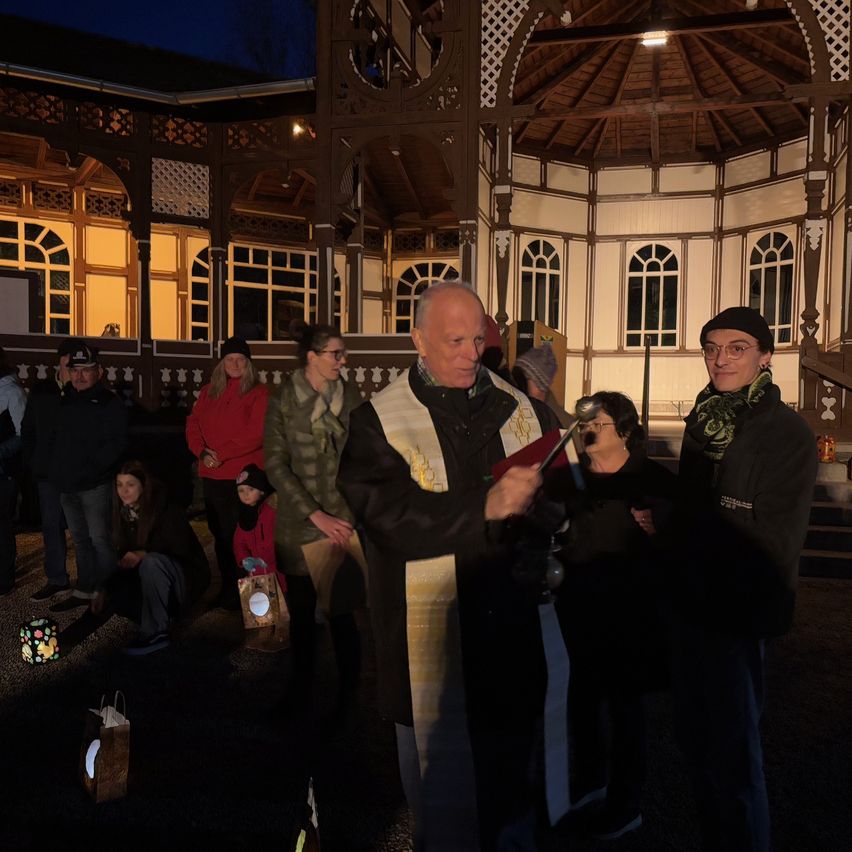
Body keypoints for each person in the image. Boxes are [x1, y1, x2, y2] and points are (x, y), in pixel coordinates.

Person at [338, 281, 560, 850]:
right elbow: (386, 516)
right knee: (440, 802)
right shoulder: (376, 422)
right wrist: (482, 506)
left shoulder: (525, 410)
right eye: (454, 340)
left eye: (478, 338)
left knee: (514, 790)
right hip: (425, 640)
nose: (470, 352)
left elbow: (559, 501)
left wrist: (556, 507)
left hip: (509, 633)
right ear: (417, 339)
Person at [673, 307, 817, 852]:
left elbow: (774, 542)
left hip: (736, 615)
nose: (720, 358)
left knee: (734, 755)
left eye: (736, 347)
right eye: (712, 346)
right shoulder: (705, 417)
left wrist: (698, 524)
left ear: (765, 356)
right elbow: (692, 511)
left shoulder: (786, 432)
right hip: (691, 606)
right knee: (693, 743)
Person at [555, 391, 676, 840]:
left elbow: (684, 541)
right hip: (578, 611)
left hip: (631, 618)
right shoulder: (569, 479)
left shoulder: (654, 480)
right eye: (583, 422)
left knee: (627, 712)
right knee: (581, 704)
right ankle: (589, 787)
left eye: (598, 423)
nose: (587, 429)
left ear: (625, 431)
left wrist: (662, 527)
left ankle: (627, 804)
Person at [263, 321, 363, 705]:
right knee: (302, 618)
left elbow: (361, 456)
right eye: (335, 353)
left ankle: (351, 694)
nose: (343, 359)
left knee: (342, 615)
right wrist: (315, 515)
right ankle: (301, 687)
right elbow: (275, 464)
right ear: (312, 357)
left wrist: (348, 513)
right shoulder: (284, 400)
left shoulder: (349, 397)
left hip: (341, 523)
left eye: (343, 352)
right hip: (298, 526)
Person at [185, 336, 269, 609]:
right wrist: (201, 452)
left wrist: (221, 454)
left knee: (246, 537)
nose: (234, 364)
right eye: (229, 359)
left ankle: (256, 598)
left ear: (248, 364)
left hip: (243, 476)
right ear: (221, 363)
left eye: (240, 360)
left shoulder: (259, 392)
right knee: (221, 536)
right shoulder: (209, 391)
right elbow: (193, 423)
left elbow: (255, 433)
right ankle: (230, 591)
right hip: (213, 475)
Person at [47, 342, 128, 612]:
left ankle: (107, 592)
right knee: (80, 541)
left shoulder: (108, 402)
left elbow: (116, 443)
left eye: (86, 370)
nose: (79, 376)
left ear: (99, 371)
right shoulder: (64, 399)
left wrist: (92, 468)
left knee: (100, 540)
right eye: (75, 370)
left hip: (94, 484)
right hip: (67, 485)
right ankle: (84, 588)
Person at [103, 460, 209, 654]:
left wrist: (142, 554)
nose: (123, 491)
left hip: (186, 575)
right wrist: (101, 590)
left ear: (143, 485)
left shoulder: (165, 506)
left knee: (151, 562)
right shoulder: (124, 514)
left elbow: (180, 547)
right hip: (153, 578)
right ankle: (159, 614)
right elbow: (123, 558)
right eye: (119, 485)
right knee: (116, 597)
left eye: (130, 484)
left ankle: (156, 634)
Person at [21, 338, 77, 601]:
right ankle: (57, 578)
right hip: (48, 473)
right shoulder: (42, 390)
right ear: (59, 363)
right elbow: (28, 428)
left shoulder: (83, 389)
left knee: (82, 527)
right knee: (51, 526)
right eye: (67, 365)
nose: (71, 371)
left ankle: (91, 582)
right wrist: (34, 460)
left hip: (77, 472)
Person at [0, 346, 27, 596]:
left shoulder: (12, 391)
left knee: (2, 525)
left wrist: (0, 451)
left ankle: (4, 578)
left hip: (4, 470)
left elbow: (23, 434)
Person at [233, 463, 285, 592]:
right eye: (241, 490)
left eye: (251, 489)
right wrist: (244, 558)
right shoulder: (244, 517)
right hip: (257, 576)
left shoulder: (272, 511)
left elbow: (282, 538)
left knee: (285, 606)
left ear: (261, 490)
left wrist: (267, 560)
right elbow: (239, 542)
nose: (246, 494)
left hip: (279, 573)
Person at [512, 344, 572, 427]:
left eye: (525, 378)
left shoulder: (562, 424)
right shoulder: (516, 411)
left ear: (541, 385)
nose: (519, 384)